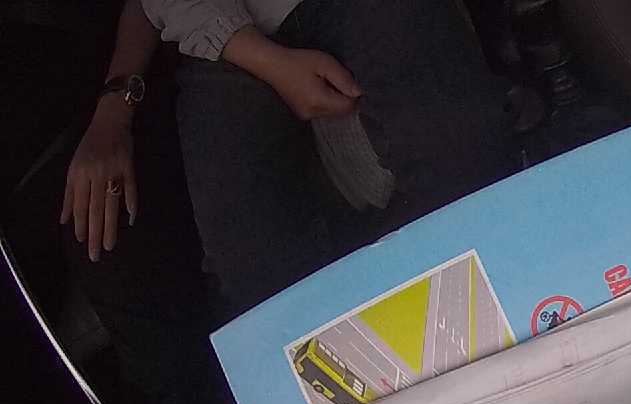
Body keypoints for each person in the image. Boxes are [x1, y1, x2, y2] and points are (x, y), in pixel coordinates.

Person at [63, 0, 519, 318]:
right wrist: (264, 58)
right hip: (222, 33)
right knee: (258, 280)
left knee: (462, 161)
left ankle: (507, 322)